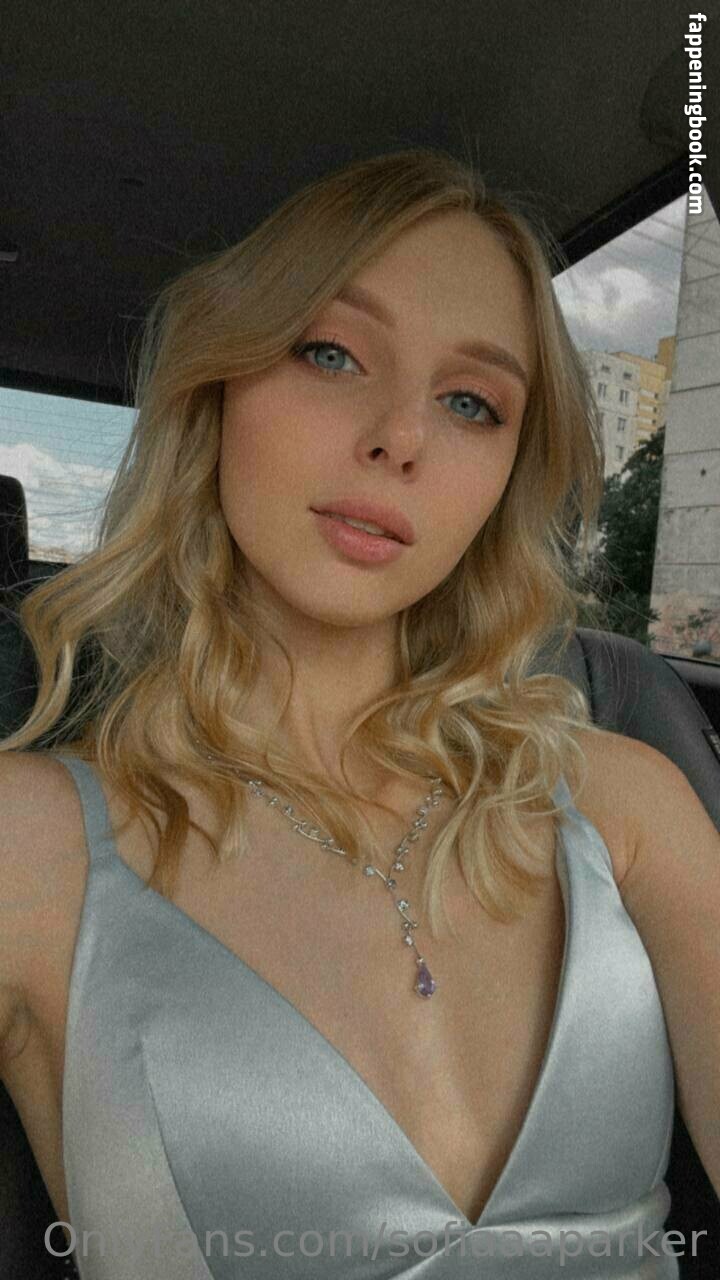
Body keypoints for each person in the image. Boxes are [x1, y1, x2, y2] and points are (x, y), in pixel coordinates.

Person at [1, 147, 718, 1278]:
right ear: (218, 384)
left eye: (471, 403)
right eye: (330, 352)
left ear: (506, 477)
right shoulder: (28, 846)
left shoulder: (624, 801)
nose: (401, 437)